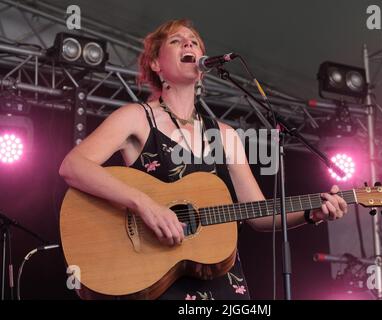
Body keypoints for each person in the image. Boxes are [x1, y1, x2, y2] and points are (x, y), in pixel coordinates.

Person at [59, 19, 348, 300]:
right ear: (156, 65)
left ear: (203, 67)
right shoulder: (136, 118)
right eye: (176, 40)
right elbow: (73, 166)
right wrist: (143, 204)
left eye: (194, 41)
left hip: (220, 280)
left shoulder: (225, 135)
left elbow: (258, 214)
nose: (189, 43)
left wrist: (313, 213)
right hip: (156, 279)